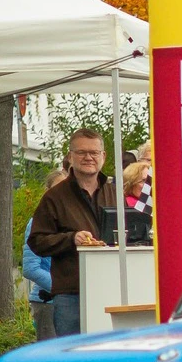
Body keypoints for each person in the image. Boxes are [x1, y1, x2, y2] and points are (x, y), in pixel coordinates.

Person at [29, 129, 117, 337]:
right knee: (72, 351)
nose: (88, 157)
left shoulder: (115, 193)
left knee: (108, 350)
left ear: (103, 156)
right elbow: (37, 241)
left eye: (94, 152)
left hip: (111, 288)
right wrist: (71, 239)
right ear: (70, 156)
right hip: (71, 294)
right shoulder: (54, 197)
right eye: (81, 152)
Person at [23, 169, 66, 341]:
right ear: (47, 191)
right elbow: (30, 268)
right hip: (47, 303)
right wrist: (63, 287)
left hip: (71, 303)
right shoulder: (37, 223)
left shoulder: (74, 222)